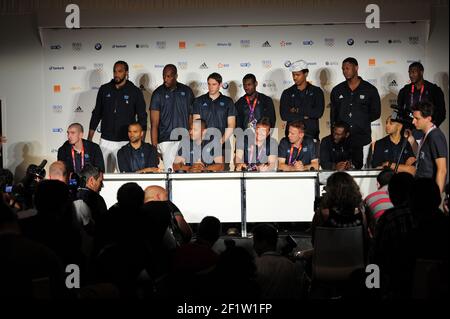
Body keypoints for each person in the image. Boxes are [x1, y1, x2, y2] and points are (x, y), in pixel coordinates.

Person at [88, 60, 147, 172]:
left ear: (126, 73)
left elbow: (142, 118)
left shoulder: (135, 91)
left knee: (125, 176)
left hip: (125, 141)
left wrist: (141, 142)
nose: (116, 74)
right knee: (102, 175)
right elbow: (96, 114)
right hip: (105, 140)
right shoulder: (104, 89)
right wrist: (90, 138)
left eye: (120, 71)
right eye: (115, 71)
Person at [330, 57, 381, 169]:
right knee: (342, 173)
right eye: (343, 69)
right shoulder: (337, 90)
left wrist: (361, 120)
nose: (345, 71)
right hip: (342, 142)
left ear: (356, 68)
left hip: (363, 139)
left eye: (347, 68)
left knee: (362, 172)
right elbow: (333, 116)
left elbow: (376, 112)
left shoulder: (370, 89)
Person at [150, 64, 195, 171]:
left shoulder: (187, 91)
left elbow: (191, 117)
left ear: (176, 76)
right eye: (164, 76)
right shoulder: (158, 94)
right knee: (170, 173)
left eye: (169, 76)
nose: (166, 79)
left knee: (186, 171)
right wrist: (154, 148)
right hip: (165, 141)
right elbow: (154, 124)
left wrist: (192, 139)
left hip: (184, 140)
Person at [192, 73, 236, 167]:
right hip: (203, 145)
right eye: (209, 84)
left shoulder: (228, 101)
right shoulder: (199, 101)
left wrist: (220, 142)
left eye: (214, 84)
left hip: (222, 144)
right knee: (201, 174)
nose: (210, 87)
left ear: (220, 85)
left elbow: (231, 125)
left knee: (223, 176)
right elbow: (196, 125)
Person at [252, 223, 302, 299]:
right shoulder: (290, 266)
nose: (253, 245)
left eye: (255, 241)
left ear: (263, 243)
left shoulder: (254, 265)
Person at [280, 60, 325, 140]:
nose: (294, 78)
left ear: (306, 74)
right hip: (291, 138)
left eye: (298, 75)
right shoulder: (287, 93)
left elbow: (318, 113)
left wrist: (297, 110)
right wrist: (306, 116)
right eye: (293, 75)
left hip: (311, 136)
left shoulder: (317, 91)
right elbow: (284, 115)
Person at [411, 101, 448, 193]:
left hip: (430, 191)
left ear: (428, 118)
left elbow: (442, 169)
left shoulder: (435, 136)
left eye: (417, 118)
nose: (413, 121)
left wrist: (437, 196)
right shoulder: (426, 135)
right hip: (422, 188)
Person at [397, 61, 446, 129]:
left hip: (427, 129)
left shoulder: (434, 90)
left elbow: (441, 113)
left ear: (421, 72)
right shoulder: (404, 90)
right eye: (409, 72)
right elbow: (399, 111)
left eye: (414, 72)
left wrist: (431, 127)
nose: (411, 75)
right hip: (409, 130)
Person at [364, 168, 395, 232]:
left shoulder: (368, 198)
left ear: (378, 184)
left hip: (381, 237)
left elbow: (366, 225)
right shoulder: (400, 196)